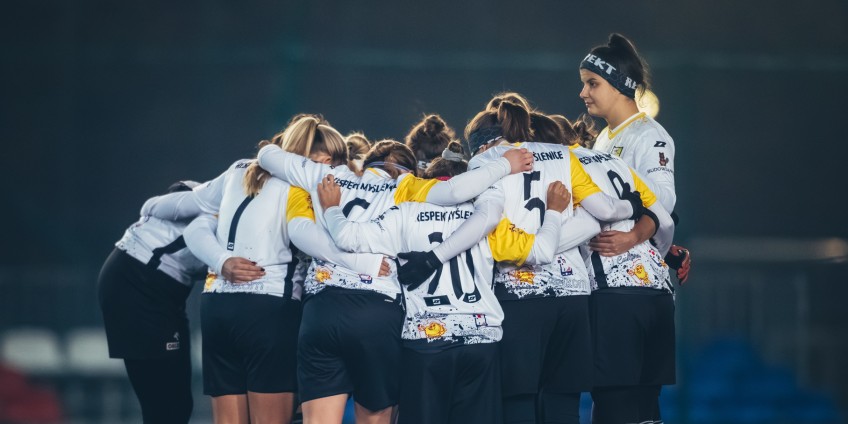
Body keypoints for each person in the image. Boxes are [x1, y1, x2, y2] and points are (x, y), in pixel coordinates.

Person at [255, 127, 533, 423]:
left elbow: (267, 154)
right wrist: (505, 164)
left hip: (322, 310)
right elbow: (455, 191)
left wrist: (330, 202)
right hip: (378, 312)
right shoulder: (406, 189)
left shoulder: (330, 175)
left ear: (364, 165)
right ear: (408, 170)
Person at [143, 116, 388, 424]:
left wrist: (220, 260)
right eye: (336, 164)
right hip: (268, 309)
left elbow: (195, 225)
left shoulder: (238, 171)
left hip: (216, 305)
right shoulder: (302, 184)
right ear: (325, 161)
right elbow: (310, 238)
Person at [316, 141, 571, 424]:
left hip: (424, 345)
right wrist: (554, 212)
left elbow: (347, 237)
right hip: (480, 343)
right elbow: (541, 251)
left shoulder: (405, 213)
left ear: (427, 182)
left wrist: (331, 209)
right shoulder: (489, 222)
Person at [463, 97, 656, 424]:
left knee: (518, 402)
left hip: (519, 295)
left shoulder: (484, 165)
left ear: (480, 146)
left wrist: (538, 246)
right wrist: (633, 206)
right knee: (563, 404)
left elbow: (495, 239)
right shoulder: (563, 155)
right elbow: (597, 217)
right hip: (572, 296)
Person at [563, 114, 676, 424]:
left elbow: (587, 224)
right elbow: (665, 219)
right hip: (658, 291)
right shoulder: (616, 162)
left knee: (614, 402)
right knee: (647, 408)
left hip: (613, 293)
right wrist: (656, 251)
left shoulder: (564, 166)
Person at [578, 33, 691, 283]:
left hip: (635, 277)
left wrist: (635, 236)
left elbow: (664, 200)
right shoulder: (604, 137)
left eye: (592, 83)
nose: (583, 92)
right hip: (606, 271)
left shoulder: (649, 135)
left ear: (619, 84)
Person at [97, 180, 205, 424]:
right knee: (167, 405)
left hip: (147, 282)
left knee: (173, 404)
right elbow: (171, 196)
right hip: (141, 282)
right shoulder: (215, 196)